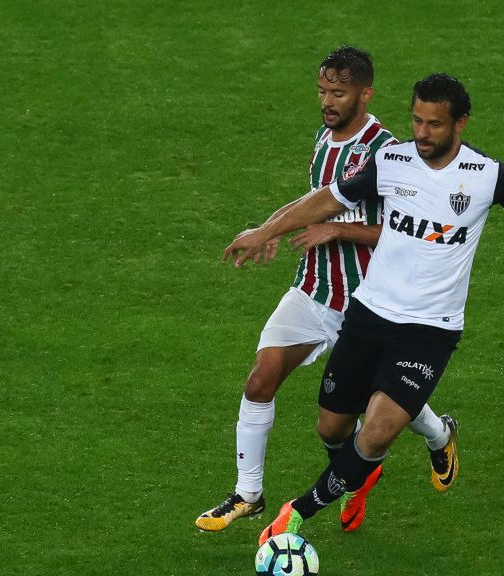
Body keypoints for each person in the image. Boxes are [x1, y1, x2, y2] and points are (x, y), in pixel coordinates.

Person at [224, 72, 504, 545]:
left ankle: (294, 516)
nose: (422, 133)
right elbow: (326, 200)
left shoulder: (490, 176)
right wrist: (266, 231)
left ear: (460, 123)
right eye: (417, 121)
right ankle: (420, 443)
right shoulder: (391, 160)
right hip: (369, 314)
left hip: (430, 329)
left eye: (434, 125)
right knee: (332, 425)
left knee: (377, 433)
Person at [196, 48, 459, 535]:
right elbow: (316, 202)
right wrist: (270, 230)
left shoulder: (391, 152)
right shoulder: (324, 137)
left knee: (382, 400)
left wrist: (338, 232)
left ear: (365, 93)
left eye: (338, 93)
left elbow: (405, 232)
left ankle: (439, 435)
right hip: (314, 290)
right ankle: (248, 494)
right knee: (261, 378)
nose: (327, 101)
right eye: (322, 91)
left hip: (371, 304)